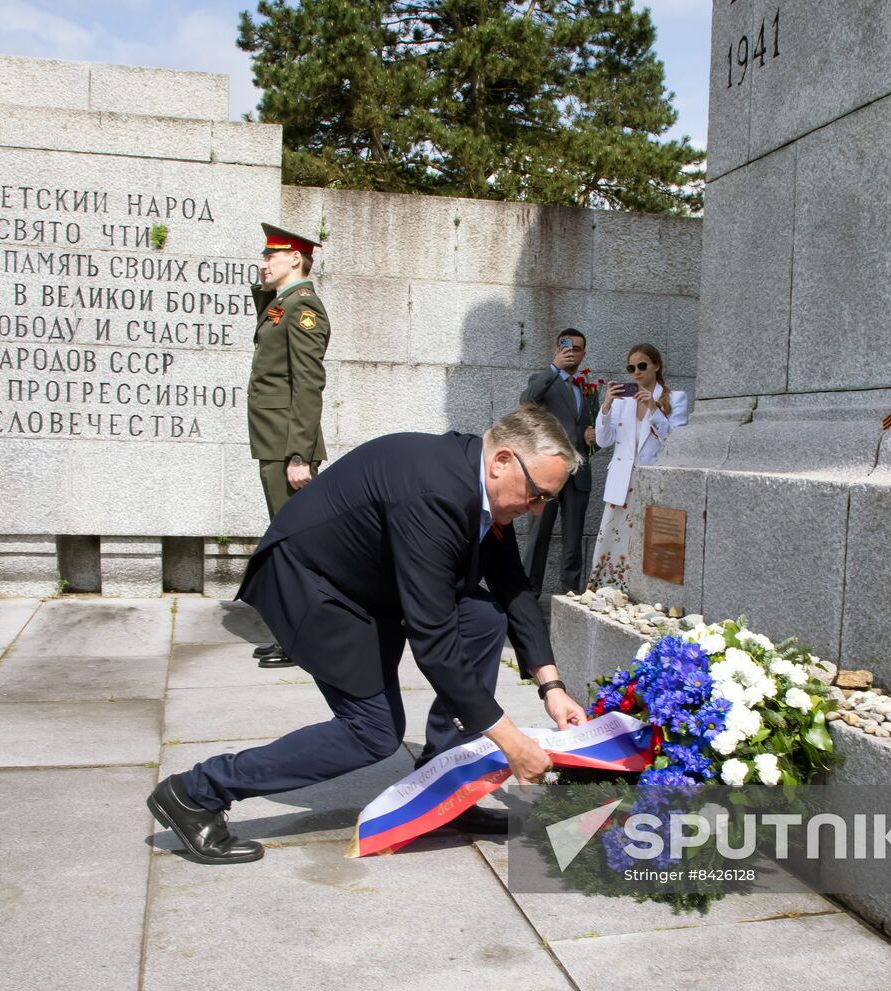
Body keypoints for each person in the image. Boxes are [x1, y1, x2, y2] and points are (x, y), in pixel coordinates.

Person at [147, 405, 589, 865]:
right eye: (537, 495)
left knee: (483, 619)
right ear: (502, 460)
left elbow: (513, 585)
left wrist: (550, 685)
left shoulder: (479, 485)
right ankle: (196, 792)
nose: (536, 510)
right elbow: (434, 643)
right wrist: (512, 742)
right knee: (372, 732)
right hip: (315, 582)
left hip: (369, 579)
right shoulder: (435, 494)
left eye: (545, 501)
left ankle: (446, 786)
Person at [247, 222, 331, 669]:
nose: (262, 264)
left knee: (294, 546)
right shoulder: (284, 304)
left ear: (294, 258)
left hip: (286, 447)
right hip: (274, 442)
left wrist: (300, 454)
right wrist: (267, 287)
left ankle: (307, 639)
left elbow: (309, 384)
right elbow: (267, 319)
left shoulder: (303, 310)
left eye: (270, 257)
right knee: (287, 542)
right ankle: (294, 633)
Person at [587, 343, 688, 593]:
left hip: (652, 482)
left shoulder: (675, 399)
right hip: (622, 482)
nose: (636, 372)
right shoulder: (622, 401)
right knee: (614, 538)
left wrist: (654, 409)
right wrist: (607, 407)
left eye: (642, 366)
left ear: (656, 365)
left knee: (648, 537)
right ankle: (610, 589)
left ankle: (644, 590)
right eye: (631, 368)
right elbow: (603, 440)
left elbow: (674, 441)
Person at [519, 329, 595, 593]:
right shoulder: (542, 381)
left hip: (579, 475)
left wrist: (592, 439)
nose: (572, 352)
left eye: (577, 348)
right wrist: (554, 369)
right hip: (546, 474)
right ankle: (529, 595)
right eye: (567, 346)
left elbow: (593, 436)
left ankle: (570, 595)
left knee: (573, 539)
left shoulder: (587, 389)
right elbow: (526, 401)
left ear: (584, 354)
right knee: (538, 535)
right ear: (556, 348)